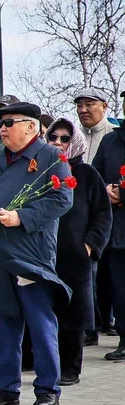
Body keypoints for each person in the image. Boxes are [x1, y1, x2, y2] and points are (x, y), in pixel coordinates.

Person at [0, 101, 72, 405]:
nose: (2, 127)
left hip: (29, 254)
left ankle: (47, 389)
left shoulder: (51, 157)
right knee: (6, 321)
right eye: (0, 122)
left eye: (9, 122)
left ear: (31, 126)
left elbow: (63, 198)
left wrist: (23, 216)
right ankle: (6, 387)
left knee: (40, 322)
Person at [46, 117, 110, 384]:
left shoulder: (86, 174)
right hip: (44, 252)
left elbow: (103, 214)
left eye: (64, 138)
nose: (58, 143)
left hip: (74, 255)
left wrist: (90, 245)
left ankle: (71, 369)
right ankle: (44, 366)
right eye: (54, 138)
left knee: (73, 314)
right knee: (46, 312)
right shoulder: (41, 170)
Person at [91, 103, 125, 362]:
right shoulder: (110, 141)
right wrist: (106, 191)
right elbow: (94, 177)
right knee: (120, 288)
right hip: (118, 230)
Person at [76, 90, 114, 164]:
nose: (83, 110)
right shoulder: (73, 136)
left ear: (104, 107)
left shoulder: (116, 134)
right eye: (79, 106)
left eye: (89, 104)